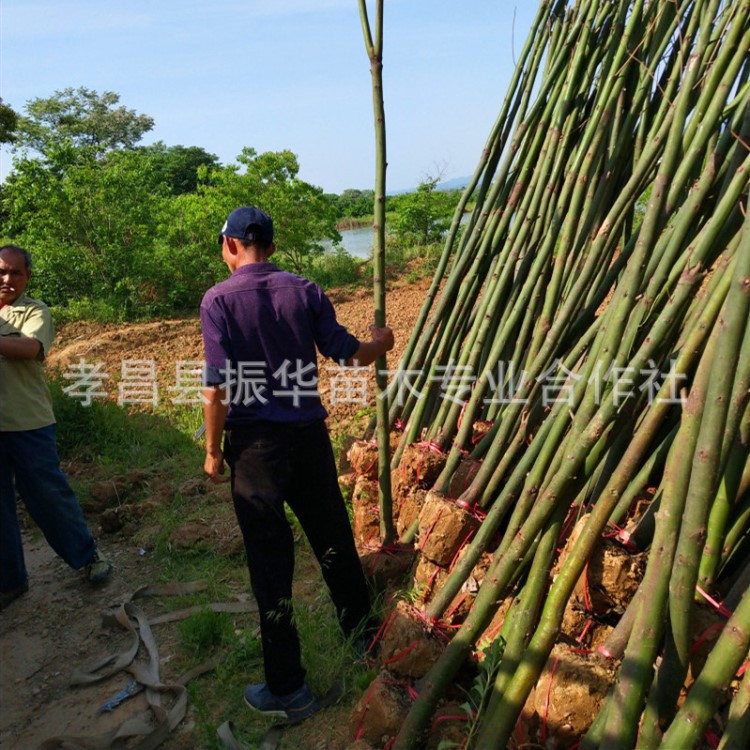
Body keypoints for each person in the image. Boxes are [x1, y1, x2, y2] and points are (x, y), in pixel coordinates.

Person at [200, 206, 394, 722]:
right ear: (270, 244)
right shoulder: (303, 289)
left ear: (232, 244)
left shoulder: (218, 300)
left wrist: (213, 450)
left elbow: (216, 387)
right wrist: (381, 342)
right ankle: (366, 641)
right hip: (308, 438)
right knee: (333, 537)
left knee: (270, 561)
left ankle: (288, 689)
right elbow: (349, 355)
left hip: (255, 449)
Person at [0, 244, 112, 611]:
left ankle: (87, 556)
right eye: (2, 271)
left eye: (16, 273)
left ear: (27, 277)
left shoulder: (34, 311)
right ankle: (11, 581)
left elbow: (30, 349)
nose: (7, 279)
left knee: (48, 496)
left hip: (28, 422)